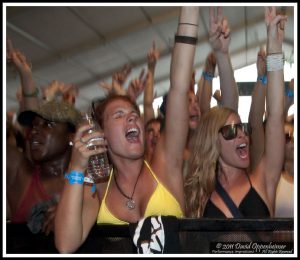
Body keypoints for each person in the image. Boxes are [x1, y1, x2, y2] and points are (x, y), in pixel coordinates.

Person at [55, 6, 199, 253]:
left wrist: (190, 9)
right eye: (119, 116)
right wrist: (76, 168)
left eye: (134, 115)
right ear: (103, 135)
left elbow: (178, 86)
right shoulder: (98, 188)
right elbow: (66, 245)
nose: (132, 119)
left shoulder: (165, 166)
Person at [184, 6, 287, 218]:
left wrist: (274, 46)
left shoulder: (263, 180)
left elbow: (275, 117)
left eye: (242, 128)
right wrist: (221, 54)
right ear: (213, 142)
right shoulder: (201, 196)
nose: (242, 134)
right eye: (231, 130)